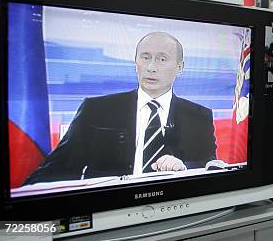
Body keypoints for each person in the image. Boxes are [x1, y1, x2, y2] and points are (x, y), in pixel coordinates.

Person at [24, 32, 217, 184]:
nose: (151, 67)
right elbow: (54, 169)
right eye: (145, 57)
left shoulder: (198, 116)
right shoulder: (96, 109)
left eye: (162, 59)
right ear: (136, 62)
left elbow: (209, 165)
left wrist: (184, 167)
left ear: (180, 68)